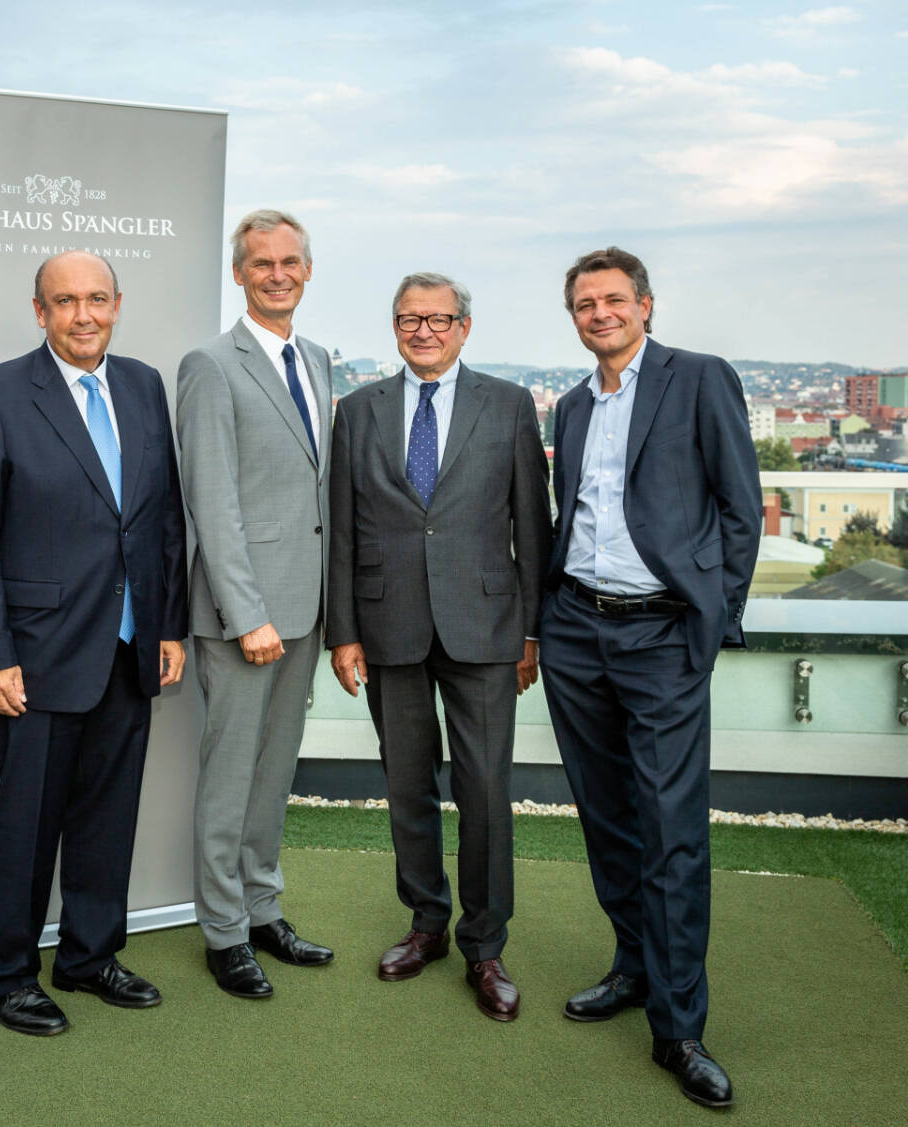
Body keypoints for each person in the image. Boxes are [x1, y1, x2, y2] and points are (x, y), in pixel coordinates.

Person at [0, 251, 188, 1037]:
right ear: (39, 310)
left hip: (129, 645)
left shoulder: (145, 385)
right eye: (65, 301)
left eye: (96, 299)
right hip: (35, 655)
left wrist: (170, 624)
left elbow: (162, 519)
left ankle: (88, 956)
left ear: (118, 303)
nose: (84, 315)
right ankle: (6, 973)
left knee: (109, 815)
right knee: (27, 823)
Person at [539, 247, 759, 1108]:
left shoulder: (700, 379)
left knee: (672, 831)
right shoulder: (572, 404)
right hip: (576, 630)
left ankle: (680, 1028)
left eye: (613, 299)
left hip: (663, 634)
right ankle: (633, 965)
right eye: (585, 303)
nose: (600, 312)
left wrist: (713, 622)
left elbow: (741, 509)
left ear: (646, 306)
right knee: (608, 820)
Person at [326, 272, 551, 1021]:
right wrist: (344, 631)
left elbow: (532, 524)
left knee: (484, 789)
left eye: (438, 318)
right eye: (408, 318)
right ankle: (426, 922)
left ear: (464, 327)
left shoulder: (510, 404)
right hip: (389, 625)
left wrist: (531, 631)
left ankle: (484, 944)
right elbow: (344, 527)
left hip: (486, 629)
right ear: (394, 327)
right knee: (407, 784)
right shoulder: (358, 410)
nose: (423, 330)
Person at [176, 209, 333, 999]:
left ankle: (263, 907)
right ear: (238, 273)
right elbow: (211, 500)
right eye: (261, 262)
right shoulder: (210, 364)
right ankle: (223, 930)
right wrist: (248, 614)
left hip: (304, 610)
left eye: (291, 261)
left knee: (274, 775)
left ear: (309, 269)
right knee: (230, 775)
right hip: (247, 618)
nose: (278, 273)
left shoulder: (318, 357)